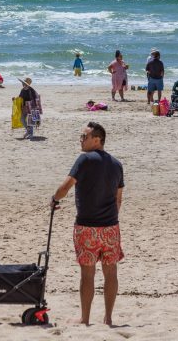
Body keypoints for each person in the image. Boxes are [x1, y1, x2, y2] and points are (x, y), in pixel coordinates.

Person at [51, 122, 124, 326]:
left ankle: (85, 318)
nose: (81, 140)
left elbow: (65, 188)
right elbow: (118, 199)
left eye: (84, 137)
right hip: (111, 227)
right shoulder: (117, 164)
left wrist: (54, 199)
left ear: (97, 140)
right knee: (111, 272)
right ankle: (108, 318)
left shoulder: (84, 160)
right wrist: (109, 218)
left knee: (88, 273)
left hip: (87, 227)